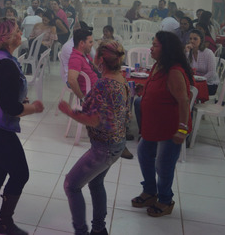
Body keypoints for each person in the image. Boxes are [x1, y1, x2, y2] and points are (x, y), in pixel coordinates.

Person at [0, 17, 44, 234]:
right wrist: (34, 107)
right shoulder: (5, 64)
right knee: (20, 173)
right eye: (17, 31)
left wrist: (19, 99)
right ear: (7, 37)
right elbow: (10, 108)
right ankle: (4, 222)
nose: (21, 34)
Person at [59, 40, 131, 235]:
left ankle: (81, 231)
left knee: (71, 185)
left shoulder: (104, 84)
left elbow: (95, 120)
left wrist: (69, 112)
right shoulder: (121, 79)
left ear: (99, 59)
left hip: (104, 148)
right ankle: (99, 230)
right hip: (116, 144)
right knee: (96, 182)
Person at [132, 31, 192, 217]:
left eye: (155, 45)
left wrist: (182, 130)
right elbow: (162, 90)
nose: (151, 47)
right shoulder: (159, 65)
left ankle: (165, 199)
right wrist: (146, 90)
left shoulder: (173, 71)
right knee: (143, 153)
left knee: (163, 165)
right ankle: (150, 191)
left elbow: (183, 101)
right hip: (154, 125)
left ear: (166, 49)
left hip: (170, 127)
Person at [186, 29, 219, 96]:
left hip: (209, 83)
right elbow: (186, 68)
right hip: (194, 82)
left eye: (195, 39)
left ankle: (191, 105)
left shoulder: (208, 53)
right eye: (190, 39)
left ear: (201, 40)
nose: (192, 41)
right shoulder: (189, 52)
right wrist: (187, 52)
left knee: (190, 90)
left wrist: (199, 80)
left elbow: (212, 72)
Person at [67, 28, 98, 101]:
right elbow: (71, 80)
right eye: (90, 42)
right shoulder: (76, 59)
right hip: (94, 94)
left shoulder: (85, 54)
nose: (92, 44)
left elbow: (95, 67)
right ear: (81, 43)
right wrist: (83, 98)